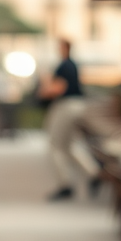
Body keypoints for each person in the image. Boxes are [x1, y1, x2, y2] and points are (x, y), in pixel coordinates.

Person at [38, 38, 86, 200]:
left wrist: (45, 86)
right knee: (70, 144)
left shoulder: (64, 65)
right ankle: (95, 174)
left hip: (66, 105)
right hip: (78, 105)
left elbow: (58, 88)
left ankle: (65, 183)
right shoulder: (73, 65)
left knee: (55, 145)